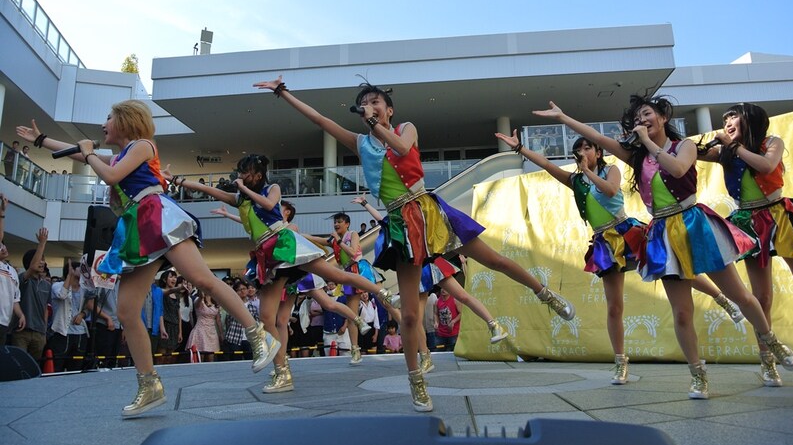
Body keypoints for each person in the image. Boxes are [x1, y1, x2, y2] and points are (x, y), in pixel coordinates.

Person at [258, 76, 575, 412]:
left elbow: (401, 148)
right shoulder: (360, 142)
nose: (369, 107)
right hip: (400, 223)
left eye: (376, 102)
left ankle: (545, 293)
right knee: (409, 315)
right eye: (364, 103)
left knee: (494, 259)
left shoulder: (406, 127)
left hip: (428, 210)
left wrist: (375, 124)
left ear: (389, 110)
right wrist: (283, 92)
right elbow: (320, 120)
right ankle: (417, 382)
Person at [16, 103, 279, 418]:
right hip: (136, 227)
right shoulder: (121, 155)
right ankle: (149, 384)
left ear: (126, 121)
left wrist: (88, 154)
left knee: (202, 279)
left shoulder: (142, 145)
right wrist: (41, 139)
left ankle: (258, 336)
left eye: (108, 118)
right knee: (127, 311)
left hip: (157, 216)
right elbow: (82, 155)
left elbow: (109, 175)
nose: (103, 124)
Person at [533, 95, 793, 399]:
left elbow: (679, 169)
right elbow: (598, 138)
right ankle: (697, 374)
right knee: (681, 313)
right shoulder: (637, 158)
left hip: (694, 224)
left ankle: (771, 343)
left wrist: (648, 142)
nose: (642, 121)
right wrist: (563, 118)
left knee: (741, 295)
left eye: (647, 114)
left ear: (662, 118)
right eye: (637, 119)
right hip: (662, 235)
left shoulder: (683, 146)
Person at [495, 131, 743, 384]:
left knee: (674, 269)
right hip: (604, 243)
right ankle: (620, 362)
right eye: (578, 149)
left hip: (627, 232)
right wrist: (520, 148)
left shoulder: (610, 170)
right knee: (614, 306)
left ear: (598, 152)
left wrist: (588, 171)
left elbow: (611, 190)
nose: (582, 152)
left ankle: (721, 298)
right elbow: (547, 165)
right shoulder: (576, 181)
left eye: (588, 147)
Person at [210, 199, 379, 393]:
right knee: (281, 320)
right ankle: (282, 363)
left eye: (279, 207)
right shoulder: (271, 225)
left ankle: (357, 319)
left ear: (287, 212)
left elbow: (301, 245)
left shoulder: (290, 227)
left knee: (327, 304)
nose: (273, 209)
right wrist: (228, 215)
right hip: (285, 277)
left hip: (299, 274)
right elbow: (251, 221)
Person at [698, 102, 793, 387]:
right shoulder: (725, 153)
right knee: (761, 298)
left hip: (779, 215)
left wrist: (733, 146)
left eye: (733, 117)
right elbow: (690, 154)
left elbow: (766, 165)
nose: (728, 123)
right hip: (749, 222)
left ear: (749, 120)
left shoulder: (772, 143)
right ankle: (767, 361)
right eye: (725, 120)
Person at [354, 195, 508, 373]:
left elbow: (442, 229)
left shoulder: (421, 210)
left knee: (462, 296)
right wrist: (365, 204)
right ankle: (425, 356)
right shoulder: (397, 218)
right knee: (416, 318)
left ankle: (493, 325)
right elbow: (382, 220)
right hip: (418, 269)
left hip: (432, 265)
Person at [303, 211, 383, 365]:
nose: (336, 224)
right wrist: (298, 235)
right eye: (335, 222)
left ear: (347, 224)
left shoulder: (353, 234)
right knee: (352, 315)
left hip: (361, 269)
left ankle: (397, 312)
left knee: (384, 300)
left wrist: (339, 241)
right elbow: (315, 239)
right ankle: (355, 350)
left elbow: (353, 252)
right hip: (347, 273)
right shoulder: (334, 240)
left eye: (339, 221)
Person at [10, 228, 50, 364]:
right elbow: (32, 268)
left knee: (34, 367)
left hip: (39, 333)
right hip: (21, 332)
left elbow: (45, 309)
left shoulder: (46, 285)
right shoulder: (22, 279)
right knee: (19, 365)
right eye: (40, 259)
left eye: (43, 260)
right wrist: (42, 243)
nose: (42, 262)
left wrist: (44, 331)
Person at [0, 195, 26, 346]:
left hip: (5, 322)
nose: (3, 248)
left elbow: (15, 298)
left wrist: (20, 314)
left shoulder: (12, 272)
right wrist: (2, 213)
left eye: (3, 245)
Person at [185, 289, 222, 362]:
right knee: (199, 357)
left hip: (212, 332)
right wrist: (201, 297)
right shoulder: (198, 300)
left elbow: (218, 320)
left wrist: (221, 333)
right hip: (200, 331)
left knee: (211, 357)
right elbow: (197, 304)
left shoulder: (216, 303)